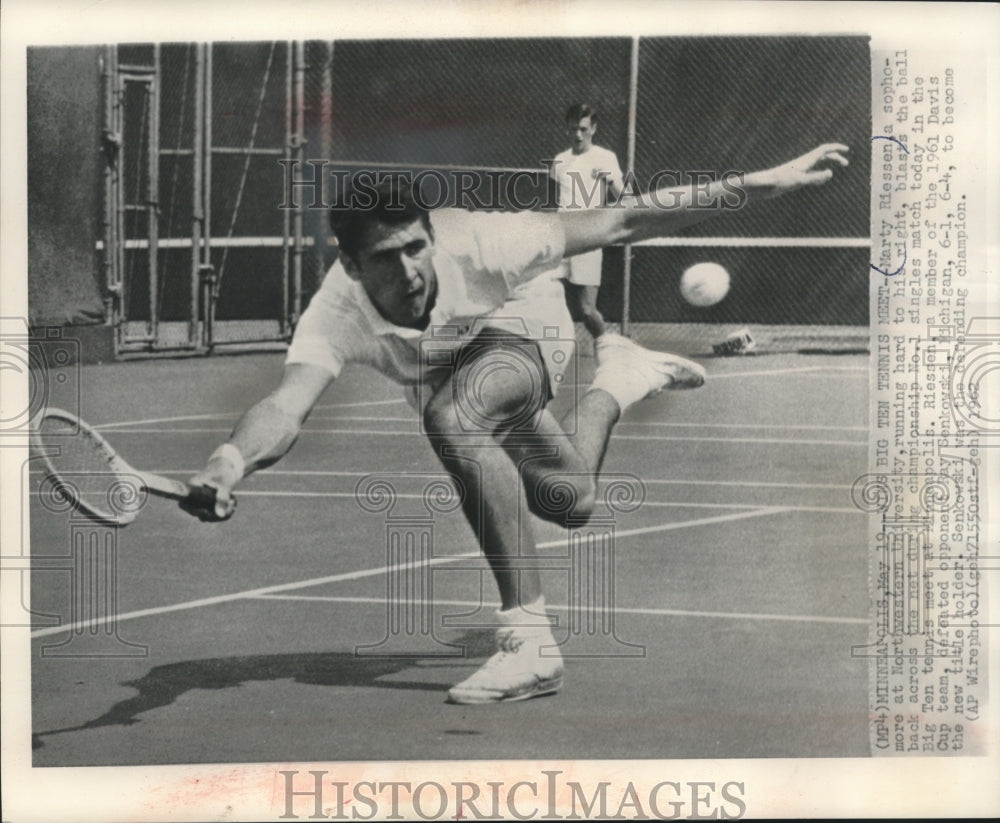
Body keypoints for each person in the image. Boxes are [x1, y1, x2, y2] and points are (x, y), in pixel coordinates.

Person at [182, 143, 849, 704]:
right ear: (353, 267)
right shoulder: (336, 313)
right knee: (570, 499)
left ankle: (528, 642)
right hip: (442, 368)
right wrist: (228, 463)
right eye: (385, 258)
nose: (408, 269)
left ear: (432, 237)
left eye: (415, 248)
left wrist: (761, 184)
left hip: (524, 326)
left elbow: (623, 220)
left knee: (455, 416)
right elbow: (285, 404)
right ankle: (621, 377)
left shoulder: (488, 244)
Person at [549, 103, 624, 342]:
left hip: (588, 239)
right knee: (546, 296)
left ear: (593, 129)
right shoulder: (560, 161)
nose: (578, 135)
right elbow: (554, 202)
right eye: (573, 129)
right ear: (567, 130)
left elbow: (624, 197)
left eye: (583, 129)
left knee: (586, 310)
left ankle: (610, 347)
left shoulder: (604, 158)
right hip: (561, 238)